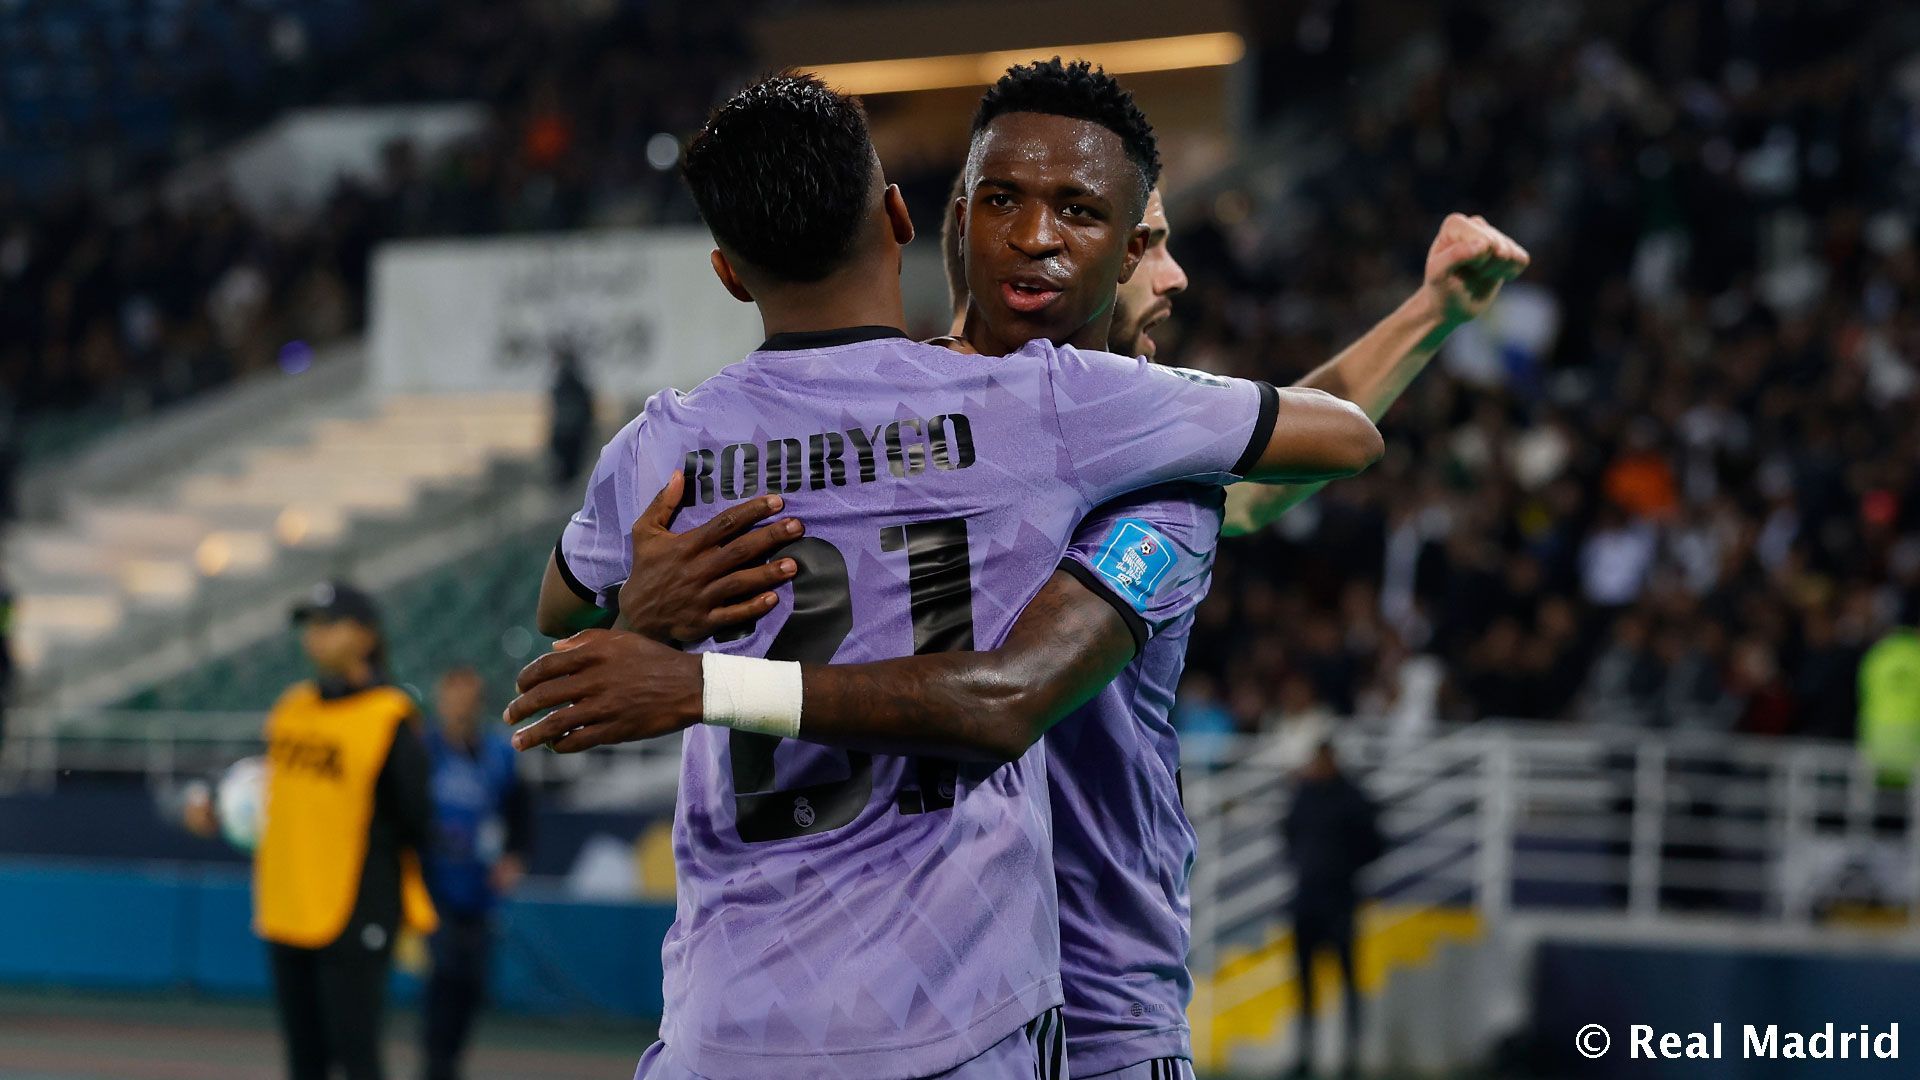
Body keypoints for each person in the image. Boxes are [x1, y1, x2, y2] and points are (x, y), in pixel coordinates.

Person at [509, 60, 1523, 1080]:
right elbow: (1309, 447)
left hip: (1069, 1008)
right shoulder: (1022, 416)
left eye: (1099, 218)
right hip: (981, 1013)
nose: (1169, 278)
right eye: (1010, 201)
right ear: (939, 220)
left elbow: (1234, 506)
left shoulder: (1148, 480)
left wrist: (1429, 311)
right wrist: (653, 631)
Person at [188, 581, 437, 1080]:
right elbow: (278, 794)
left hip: (354, 906)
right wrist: (222, 811)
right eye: (311, 627)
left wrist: (398, 909)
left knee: (357, 1055)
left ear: (367, 637)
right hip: (288, 901)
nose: (315, 637)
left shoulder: (389, 716)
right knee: (304, 1061)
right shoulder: (292, 706)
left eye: (329, 625)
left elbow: (416, 820)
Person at [420, 666, 529, 1080]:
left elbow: (521, 813)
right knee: (444, 975)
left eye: (467, 699)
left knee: (471, 982)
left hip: (480, 887)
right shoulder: (424, 750)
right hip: (435, 886)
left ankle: (448, 1061)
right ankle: (436, 1066)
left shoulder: (497, 754)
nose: (459, 708)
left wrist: (515, 856)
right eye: (452, 698)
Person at [1282, 741, 1383, 1079]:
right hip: (1307, 899)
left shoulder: (1353, 797)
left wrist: (1344, 868)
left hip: (1340, 900)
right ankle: (1304, 1056)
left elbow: (1375, 842)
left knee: (1347, 981)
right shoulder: (1304, 794)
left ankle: (1350, 1058)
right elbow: (1287, 834)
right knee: (1305, 983)